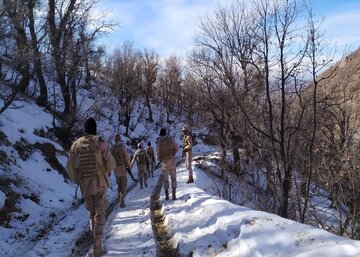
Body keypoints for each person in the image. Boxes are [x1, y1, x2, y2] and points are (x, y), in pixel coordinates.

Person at [67, 117, 115, 257]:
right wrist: (106, 170)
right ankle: (97, 244)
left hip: (85, 186)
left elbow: (71, 167)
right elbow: (111, 163)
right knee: (100, 213)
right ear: (95, 128)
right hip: (99, 183)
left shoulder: (76, 145)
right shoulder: (99, 142)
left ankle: (95, 238)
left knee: (91, 212)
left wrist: (79, 180)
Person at [156, 128, 179, 200]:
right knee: (173, 177)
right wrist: (173, 153)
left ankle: (166, 196)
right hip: (172, 160)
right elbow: (177, 148)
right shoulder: (171, 140)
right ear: (166, 134)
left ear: (160, 135)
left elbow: (157, 154)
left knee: (165, 179)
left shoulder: (159, 142)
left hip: (164, 162)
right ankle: (174, 195)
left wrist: (160, 159)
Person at [111, 134, 132, 208]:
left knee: (119, 185)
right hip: (122, 168)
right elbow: (126, 157)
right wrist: (129, 166)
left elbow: (110, 159)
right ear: (120, 139)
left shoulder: (112, 148)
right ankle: (122, 200)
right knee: (124, 185)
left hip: (115, 170)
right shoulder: (122, 146)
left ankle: (120, 198)